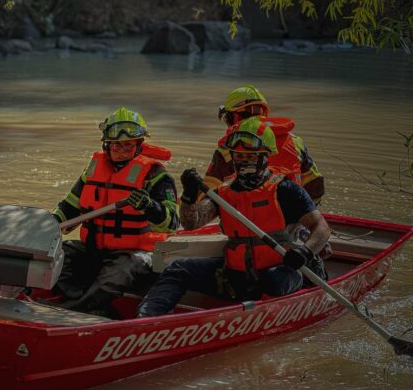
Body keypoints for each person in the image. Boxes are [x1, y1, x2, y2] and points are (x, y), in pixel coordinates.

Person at [137, 117, 331, 317]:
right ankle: (147, 318)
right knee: (178, 269)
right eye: (238, 156)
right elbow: (190, 223)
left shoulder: (285, 189)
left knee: (275, 280)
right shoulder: (223, 192)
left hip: (280, 272)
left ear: (265, 156)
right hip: (236, 275)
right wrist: (188, 196)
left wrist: (305, 253)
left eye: (250, 156)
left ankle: (261, 317)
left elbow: (322, 228)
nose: (243, 161)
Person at [52, 107, 180, 317]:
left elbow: (172, 223)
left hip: (136, 254)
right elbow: (70, 206)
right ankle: (90, 304)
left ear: (139, 145)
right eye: (116, 145)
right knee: (57, 255)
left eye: (128, 145)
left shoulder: (156, 175)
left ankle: (75, 310)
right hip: (94, 248)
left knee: (119, 271)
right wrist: (50, 224)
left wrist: (149, 206)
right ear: (106, 145)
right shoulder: (93, 170)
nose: (121, 150)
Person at [205, 85, 325, 204]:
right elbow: (316, 188)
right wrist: (305, 211)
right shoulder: (295, 142)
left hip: (243, 215)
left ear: (235, 118)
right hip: (291, 214)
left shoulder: (230, 147)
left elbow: (206, 196)